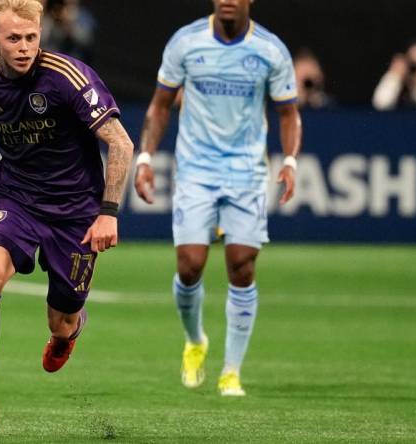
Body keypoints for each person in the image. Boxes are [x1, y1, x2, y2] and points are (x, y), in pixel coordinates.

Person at [0, 0, 133, 430]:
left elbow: (121, 143)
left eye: (31, 38)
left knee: (61, 320)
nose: (24, 48)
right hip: (15, 199)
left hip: (75, 211)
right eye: (14, 39)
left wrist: (108, 213)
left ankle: (68, 332)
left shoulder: (68, 78)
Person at [134, 0, 301, 397]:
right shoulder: (186, 42)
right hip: (195, 171)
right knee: (190, 265)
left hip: (246, 173)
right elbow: (159, 106)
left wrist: (291, 160)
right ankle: (195, 341)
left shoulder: (270, 50)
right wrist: (145, 157)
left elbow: (288, 113)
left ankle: (231, 371)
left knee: (241, 266)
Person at [372, 38, 416, 110]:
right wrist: (394, 76)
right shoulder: (399, 80)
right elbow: (381, 104)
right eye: (412, 65)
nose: (415, 70)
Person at [41, 0, 96, 64]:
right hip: (52, 61)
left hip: (75, 62)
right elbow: (43, 40)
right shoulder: (51, 14)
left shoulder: (84, 16)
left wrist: (68, 25)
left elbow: (86, 41)